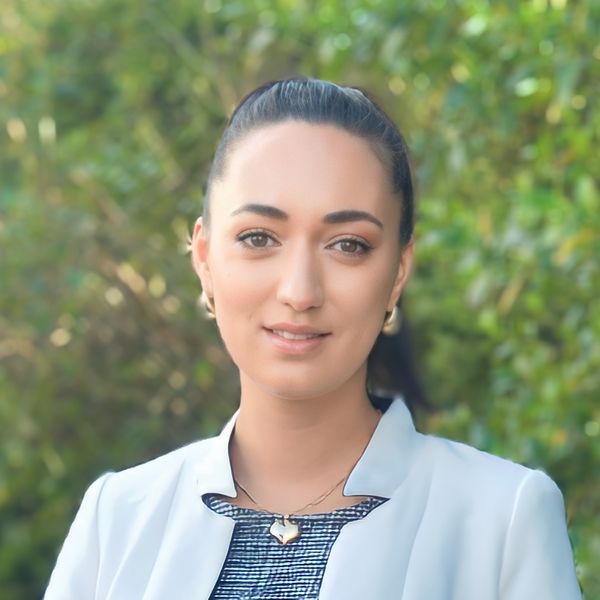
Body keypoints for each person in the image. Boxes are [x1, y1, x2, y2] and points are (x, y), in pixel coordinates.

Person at [45, 77, 581, 599]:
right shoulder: (116, 520)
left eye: (348, 245)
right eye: (259, 238)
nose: (300, 292)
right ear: (204, 259)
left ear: (398, 272)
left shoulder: (503, 519)